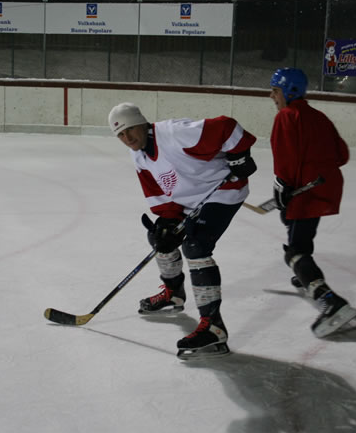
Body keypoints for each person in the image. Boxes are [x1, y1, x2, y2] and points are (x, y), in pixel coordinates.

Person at [108, 102, 257, 358]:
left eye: (130, 129)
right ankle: (173, 293)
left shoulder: (174, 133)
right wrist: (166, 222)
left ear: (142, 123)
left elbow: (227, 127)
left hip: (223, 191)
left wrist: (239, 156)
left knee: (196, 245)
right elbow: (156, 191)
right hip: (189, 201)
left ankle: (214, 328)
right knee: (160, 239)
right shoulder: (139, 153)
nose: (127, 138)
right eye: (120, 135)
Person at [268, 67, 356, 337]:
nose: (272, 96)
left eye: (275, 91)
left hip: (304, 191)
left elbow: (285, 159)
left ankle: (330, 301)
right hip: (324, 187)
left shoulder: (287, 116)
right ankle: (303, 275)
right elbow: (342, 155)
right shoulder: (319, 116)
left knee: (293, 251)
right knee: (295, 227)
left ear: (289, 91)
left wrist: (283, 186)